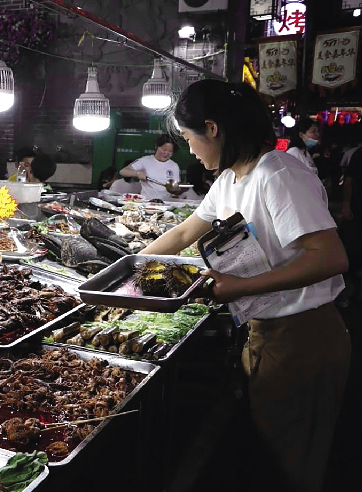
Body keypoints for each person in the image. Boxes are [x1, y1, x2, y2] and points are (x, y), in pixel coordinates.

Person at [142, 79, 349, 492]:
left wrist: (241, 287)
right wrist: (127, 269)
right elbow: (184, 234)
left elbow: (330, 258)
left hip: (304, 337)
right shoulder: (230, 181)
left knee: (292, 462)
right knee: (268, 449)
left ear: (212, 129)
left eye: (188, 138)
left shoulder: (279, 174)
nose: (189, 149)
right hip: (265, 334)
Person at [119, 134, 181, 200]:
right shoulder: (145, 161)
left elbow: (176, 187)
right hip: (146, 203)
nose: (166, 154)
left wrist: (177, 190)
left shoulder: (174, 166)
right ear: (156, 147)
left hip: (166, 204)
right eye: (164, 150)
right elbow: (123, 171)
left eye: (170, 152)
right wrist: (137, 173)